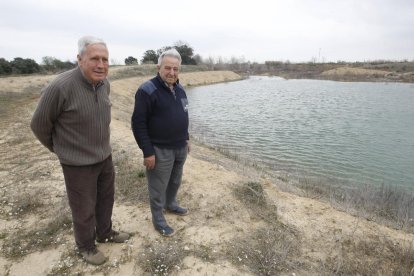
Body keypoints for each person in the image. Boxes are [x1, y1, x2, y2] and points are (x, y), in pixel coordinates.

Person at [30, 36, 129, 265]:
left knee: (106, 199)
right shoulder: (60, 87)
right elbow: (39, 125)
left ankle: (105, 233)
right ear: (79, 59)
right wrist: (61, 150)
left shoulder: (105, 84)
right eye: (94, 58)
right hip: (77, 164)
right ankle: (85, 246)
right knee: (83, 209)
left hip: (104, 156)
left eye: (105, 59)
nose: (101, 64)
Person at [131, 48, 190, 237]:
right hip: (159, 149)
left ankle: (171, 204)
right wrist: (147, 151)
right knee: (157, 187)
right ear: (159, 67)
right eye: (168, 68)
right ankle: (158, 219)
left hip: (180, 146)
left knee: (175, 180)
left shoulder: (180, 89)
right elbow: (138, 123)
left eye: (176, 69)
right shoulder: (147, 90)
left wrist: (186, 138)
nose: (172, 73)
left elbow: (184, 115)